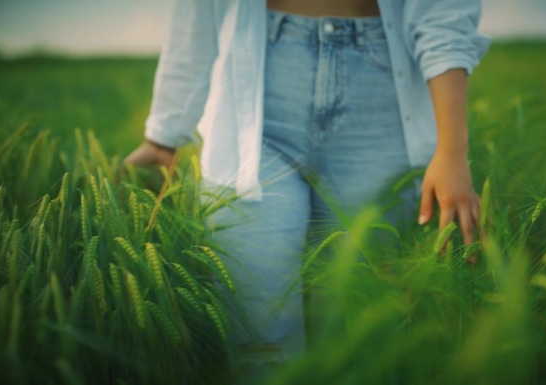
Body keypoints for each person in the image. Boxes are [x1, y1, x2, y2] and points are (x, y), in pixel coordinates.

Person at [124, 0, 490, 377]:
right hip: (257, 103)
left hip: (381, 107)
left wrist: (452, 148)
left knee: (361, 332)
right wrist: (164, 138)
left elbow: (442, 12)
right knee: (257, 336)